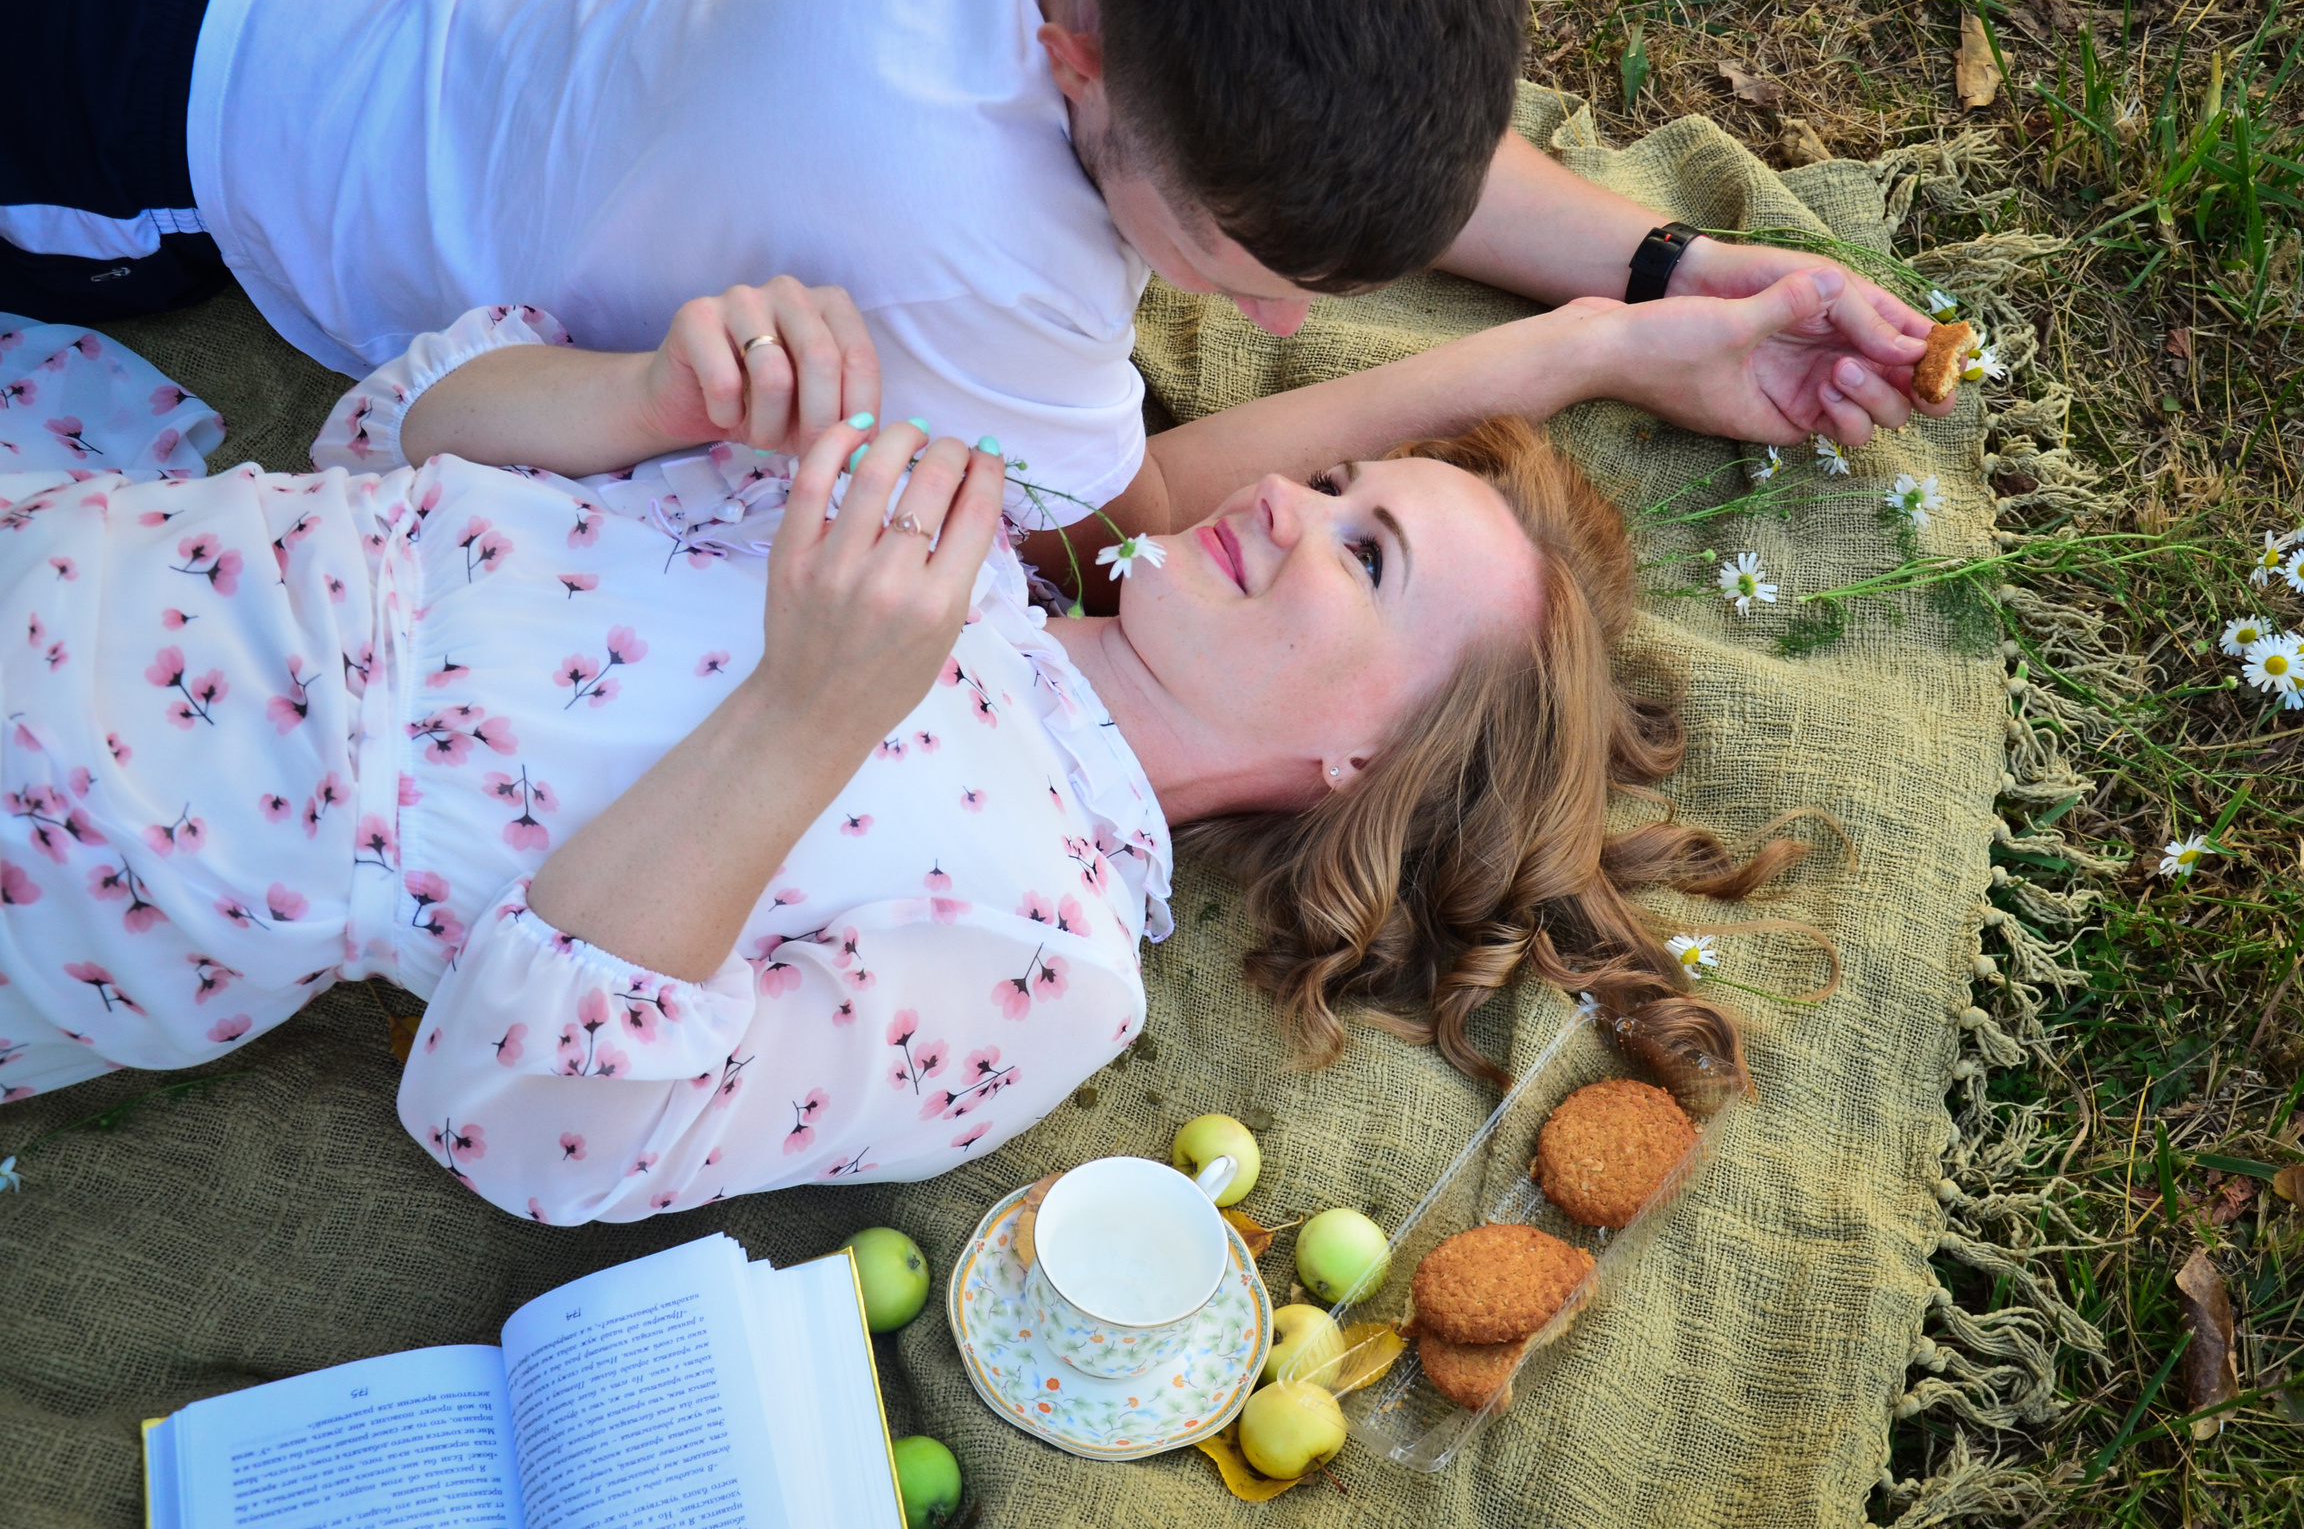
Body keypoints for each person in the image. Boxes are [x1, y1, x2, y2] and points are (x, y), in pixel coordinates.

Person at [0, 287, 1801, 1223]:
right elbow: (392, 437)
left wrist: (811, 709)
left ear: (1369, 763)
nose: (1289, 502)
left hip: (111, 829)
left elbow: (538, 1123)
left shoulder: (1048, 954)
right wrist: (649, 397)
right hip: (84, 533)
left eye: (1366, 555)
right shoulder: (957, 517)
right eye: (1337, 485)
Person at [8, 0, 1935, 536]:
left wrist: (1672, 258)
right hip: (166, 69)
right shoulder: (948, 221)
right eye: (1241, 270)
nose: (1273, 328)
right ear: (1076, 66)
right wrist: (1572, 353)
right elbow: (1128, 514)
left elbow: (1317, 100)